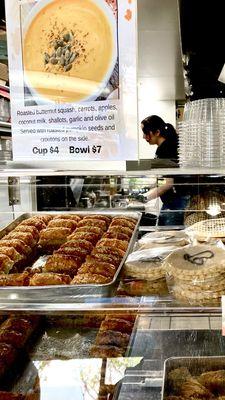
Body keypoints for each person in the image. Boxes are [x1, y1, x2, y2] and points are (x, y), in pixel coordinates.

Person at [141, 115, 190, 226]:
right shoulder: (164, 147)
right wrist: (149, 185)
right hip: (172, 203)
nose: (144, 137)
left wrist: (143, 198)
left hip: (176, 203)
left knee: (170, 240)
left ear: (157, 132)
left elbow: (168, 183)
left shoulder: (167, 149)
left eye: (145, 132)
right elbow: (166, 177)